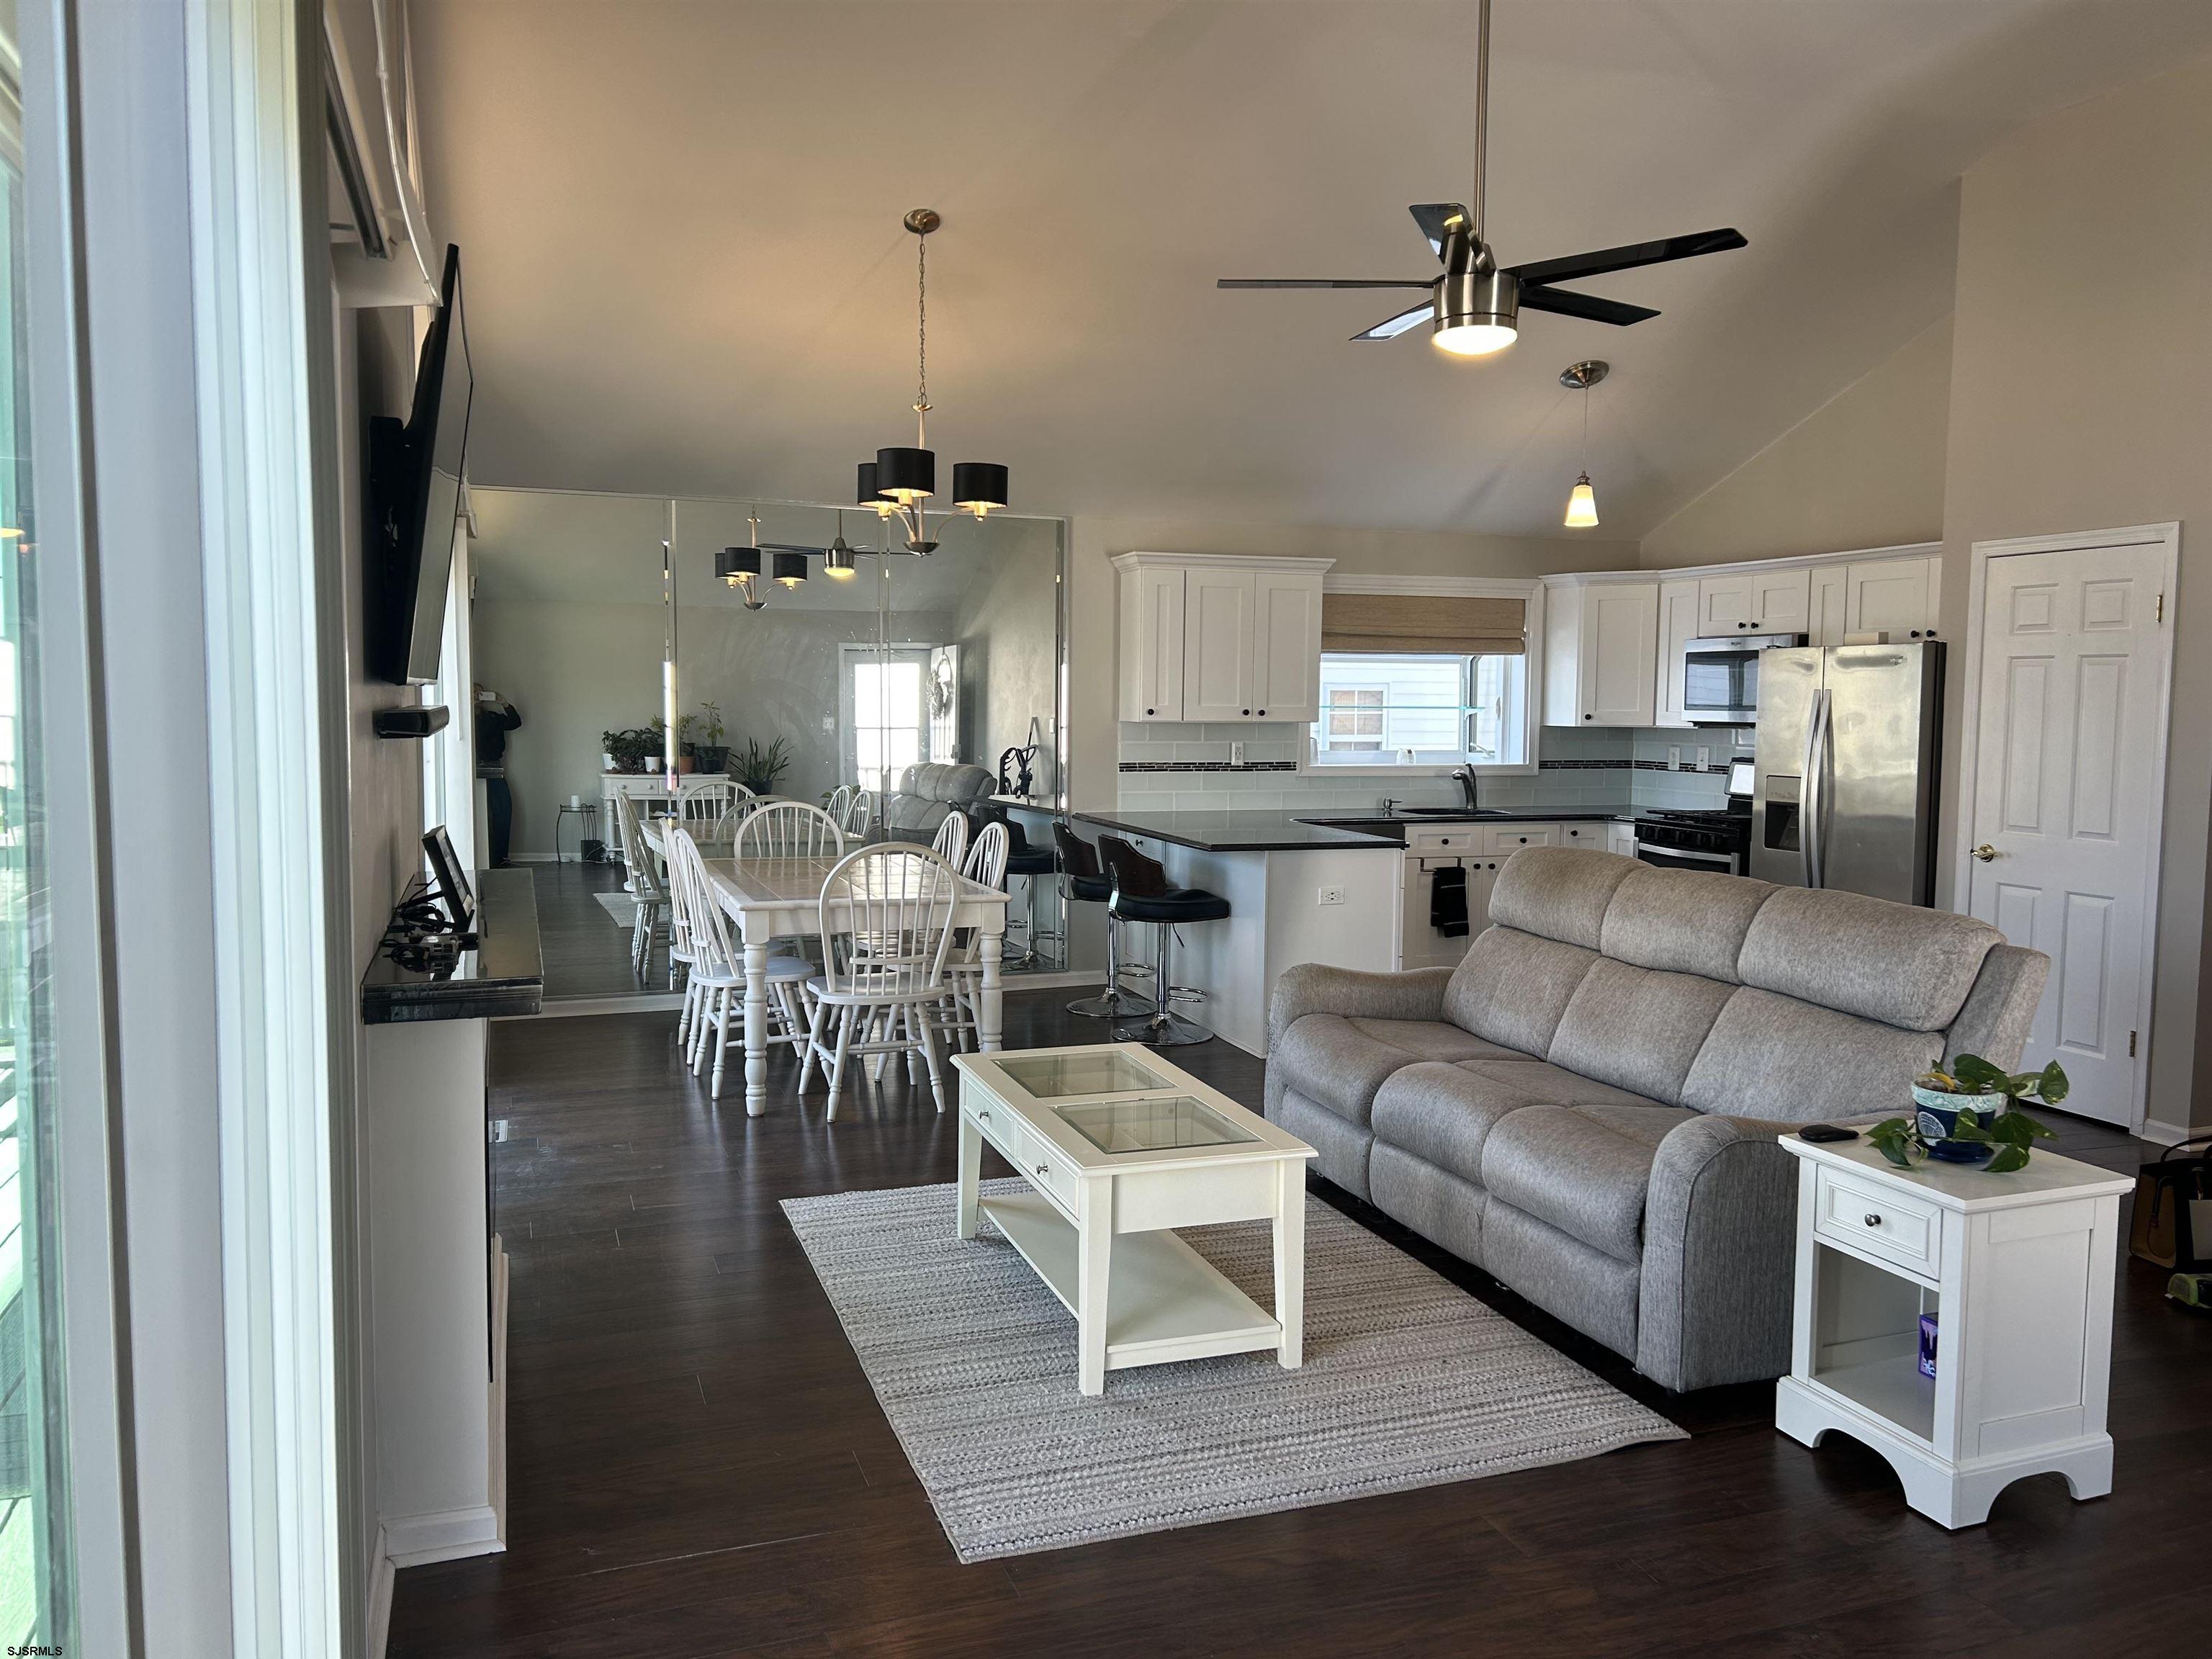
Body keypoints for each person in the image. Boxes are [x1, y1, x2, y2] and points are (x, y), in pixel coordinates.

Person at [475, 684, 523, 867]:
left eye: (479, 693)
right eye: (472, 693)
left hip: (494, 767)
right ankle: (478, 856)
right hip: (470, 768)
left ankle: (500, 857)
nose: (476, 696)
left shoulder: (493, 717)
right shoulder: (463, 719)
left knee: (503, 809)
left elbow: (515, 723)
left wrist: (504, 704)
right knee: (476, 812)